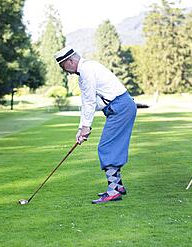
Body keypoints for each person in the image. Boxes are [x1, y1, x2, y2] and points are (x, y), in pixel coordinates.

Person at [54, 46, 137, 204]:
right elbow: (88, 103)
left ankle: (113, 191)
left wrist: (86, 127)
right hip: (121, 107)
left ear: (70, 61)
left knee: (106, 147)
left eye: (63, 66)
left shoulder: (86, 71)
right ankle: (117, 186)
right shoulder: (87, 68)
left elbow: (90, 102)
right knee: (111, 147)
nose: (66, 71)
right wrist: (82, 128)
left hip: (120, 108)